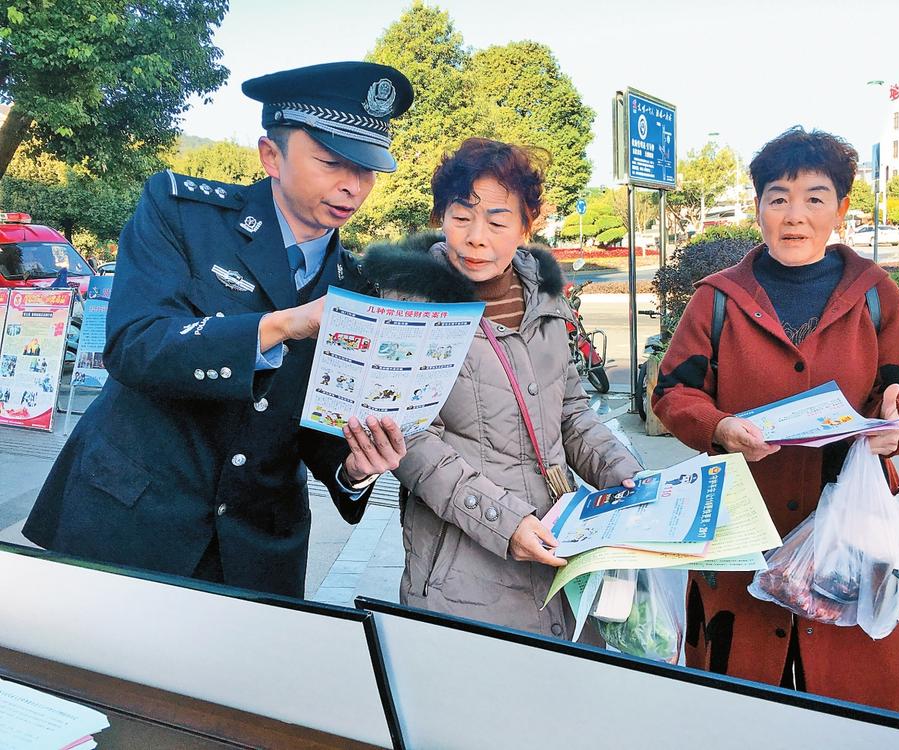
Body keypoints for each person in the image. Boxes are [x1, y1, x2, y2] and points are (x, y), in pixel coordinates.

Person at [24, 62, 414, 598]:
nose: (352, 186)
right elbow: (135, 344)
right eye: (331, 163)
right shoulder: (183, 213)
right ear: (271, 156)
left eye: (367, 171)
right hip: (128, 521)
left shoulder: (356, 284)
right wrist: (279, 326)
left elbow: (316, 420)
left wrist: (354, 467)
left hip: (256, 553)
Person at [652, 127, 899, 714]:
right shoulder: (719, 298)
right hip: (743, 529)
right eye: (778, 198)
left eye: (814, 197)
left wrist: (897, 422)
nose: (795, 215)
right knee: (742, 702)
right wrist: (718, 427)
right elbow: (674, 391)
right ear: (758, 206)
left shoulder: (875, 294)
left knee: (854, 704)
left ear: (841, 208)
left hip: (852, 533)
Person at [362, 138, 643, 638]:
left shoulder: (547, 302)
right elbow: (411, 440)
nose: (476, 238)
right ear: (440, 216)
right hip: (462, 572)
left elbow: (571, 413)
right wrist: (503, 521)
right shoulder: (409, 306)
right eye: (460, 217)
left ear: (525, 225)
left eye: (497, 222)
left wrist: (625, 475)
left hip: (561, 547)